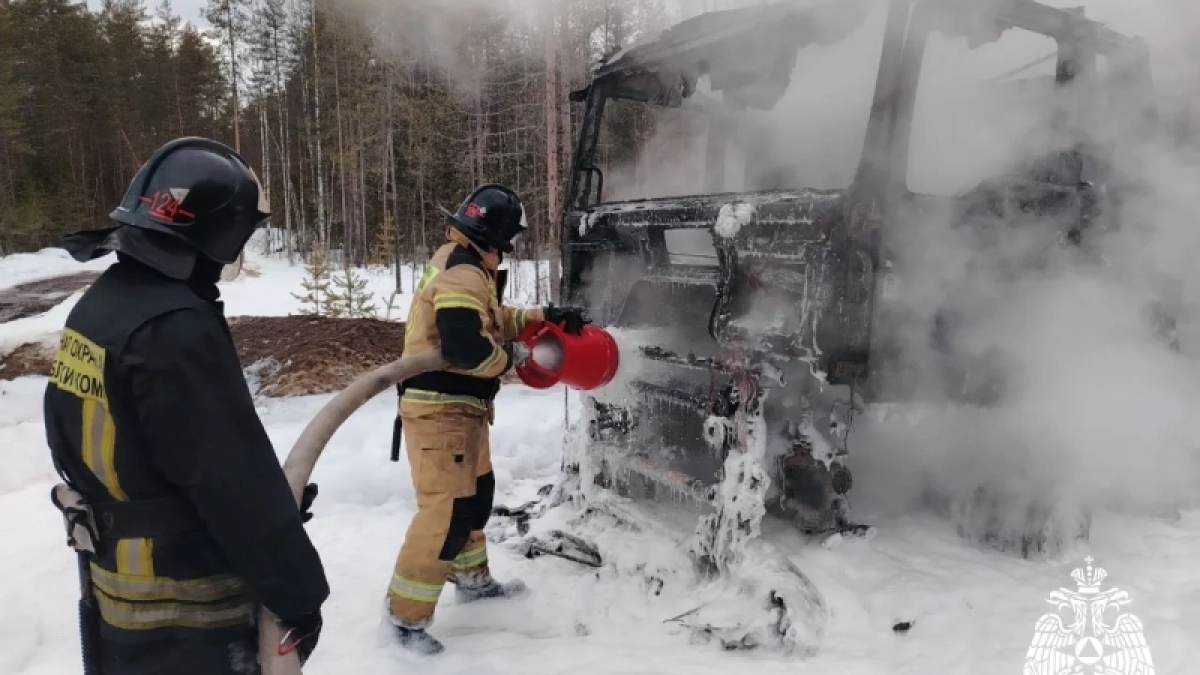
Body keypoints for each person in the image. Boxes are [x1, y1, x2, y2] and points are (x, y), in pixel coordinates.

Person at [43, 137, 329, 675]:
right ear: (216, 235)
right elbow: (227, 476)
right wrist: (297, 595)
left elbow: (124, 440)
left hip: (119, 594)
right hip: (185, 605)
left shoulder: (102, 306)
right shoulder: (174, 328)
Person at [385, 184, 588, 655]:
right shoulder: (463, 272)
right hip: (440, 412)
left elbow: (490, 319)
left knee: (474, 499)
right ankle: (403, 621)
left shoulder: (467, 263)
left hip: (461, 411)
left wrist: (544, 316)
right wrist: (512, 360)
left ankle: (472, 580)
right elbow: (464, 346)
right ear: (498, 234)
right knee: (446, 514)